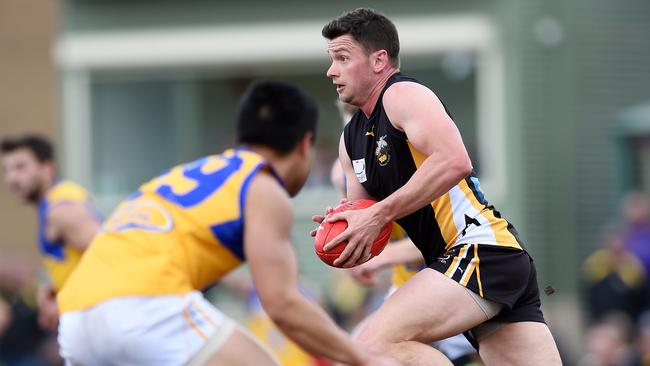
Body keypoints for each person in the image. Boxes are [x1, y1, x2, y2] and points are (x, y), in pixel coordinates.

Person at [56, 81, 396, 366]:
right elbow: (283, 304)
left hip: (74, 320)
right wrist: (365, 359)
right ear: (305, 144)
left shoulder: (188, 173)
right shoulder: (262, 186)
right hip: (146, 307)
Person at [314, 8, 562, 365]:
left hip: (479, 250)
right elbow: (366, 221)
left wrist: (378, 215)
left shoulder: (402, 96)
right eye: (330, 59)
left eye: (342, 58)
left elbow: (455, 160)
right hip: (473, 261)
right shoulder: (350, 140)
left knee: (370, 347)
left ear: (379, 60)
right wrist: (343, 234)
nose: (331, 71)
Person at [332, 101, 479, 365]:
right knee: (360, 351)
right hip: (408, 282)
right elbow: (359, 226)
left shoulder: (415, 157)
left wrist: (383, 257)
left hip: (458, 271)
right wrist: (345, 242)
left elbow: (442, 233)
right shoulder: (348, 170)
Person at [1, 135, 100, 332]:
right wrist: (55, 288)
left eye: (21, 167)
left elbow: (111, 259)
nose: (11, 178)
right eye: (6, 170)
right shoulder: (53, 205)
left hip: (96, 320)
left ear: (47, 169)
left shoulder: (61, 211)